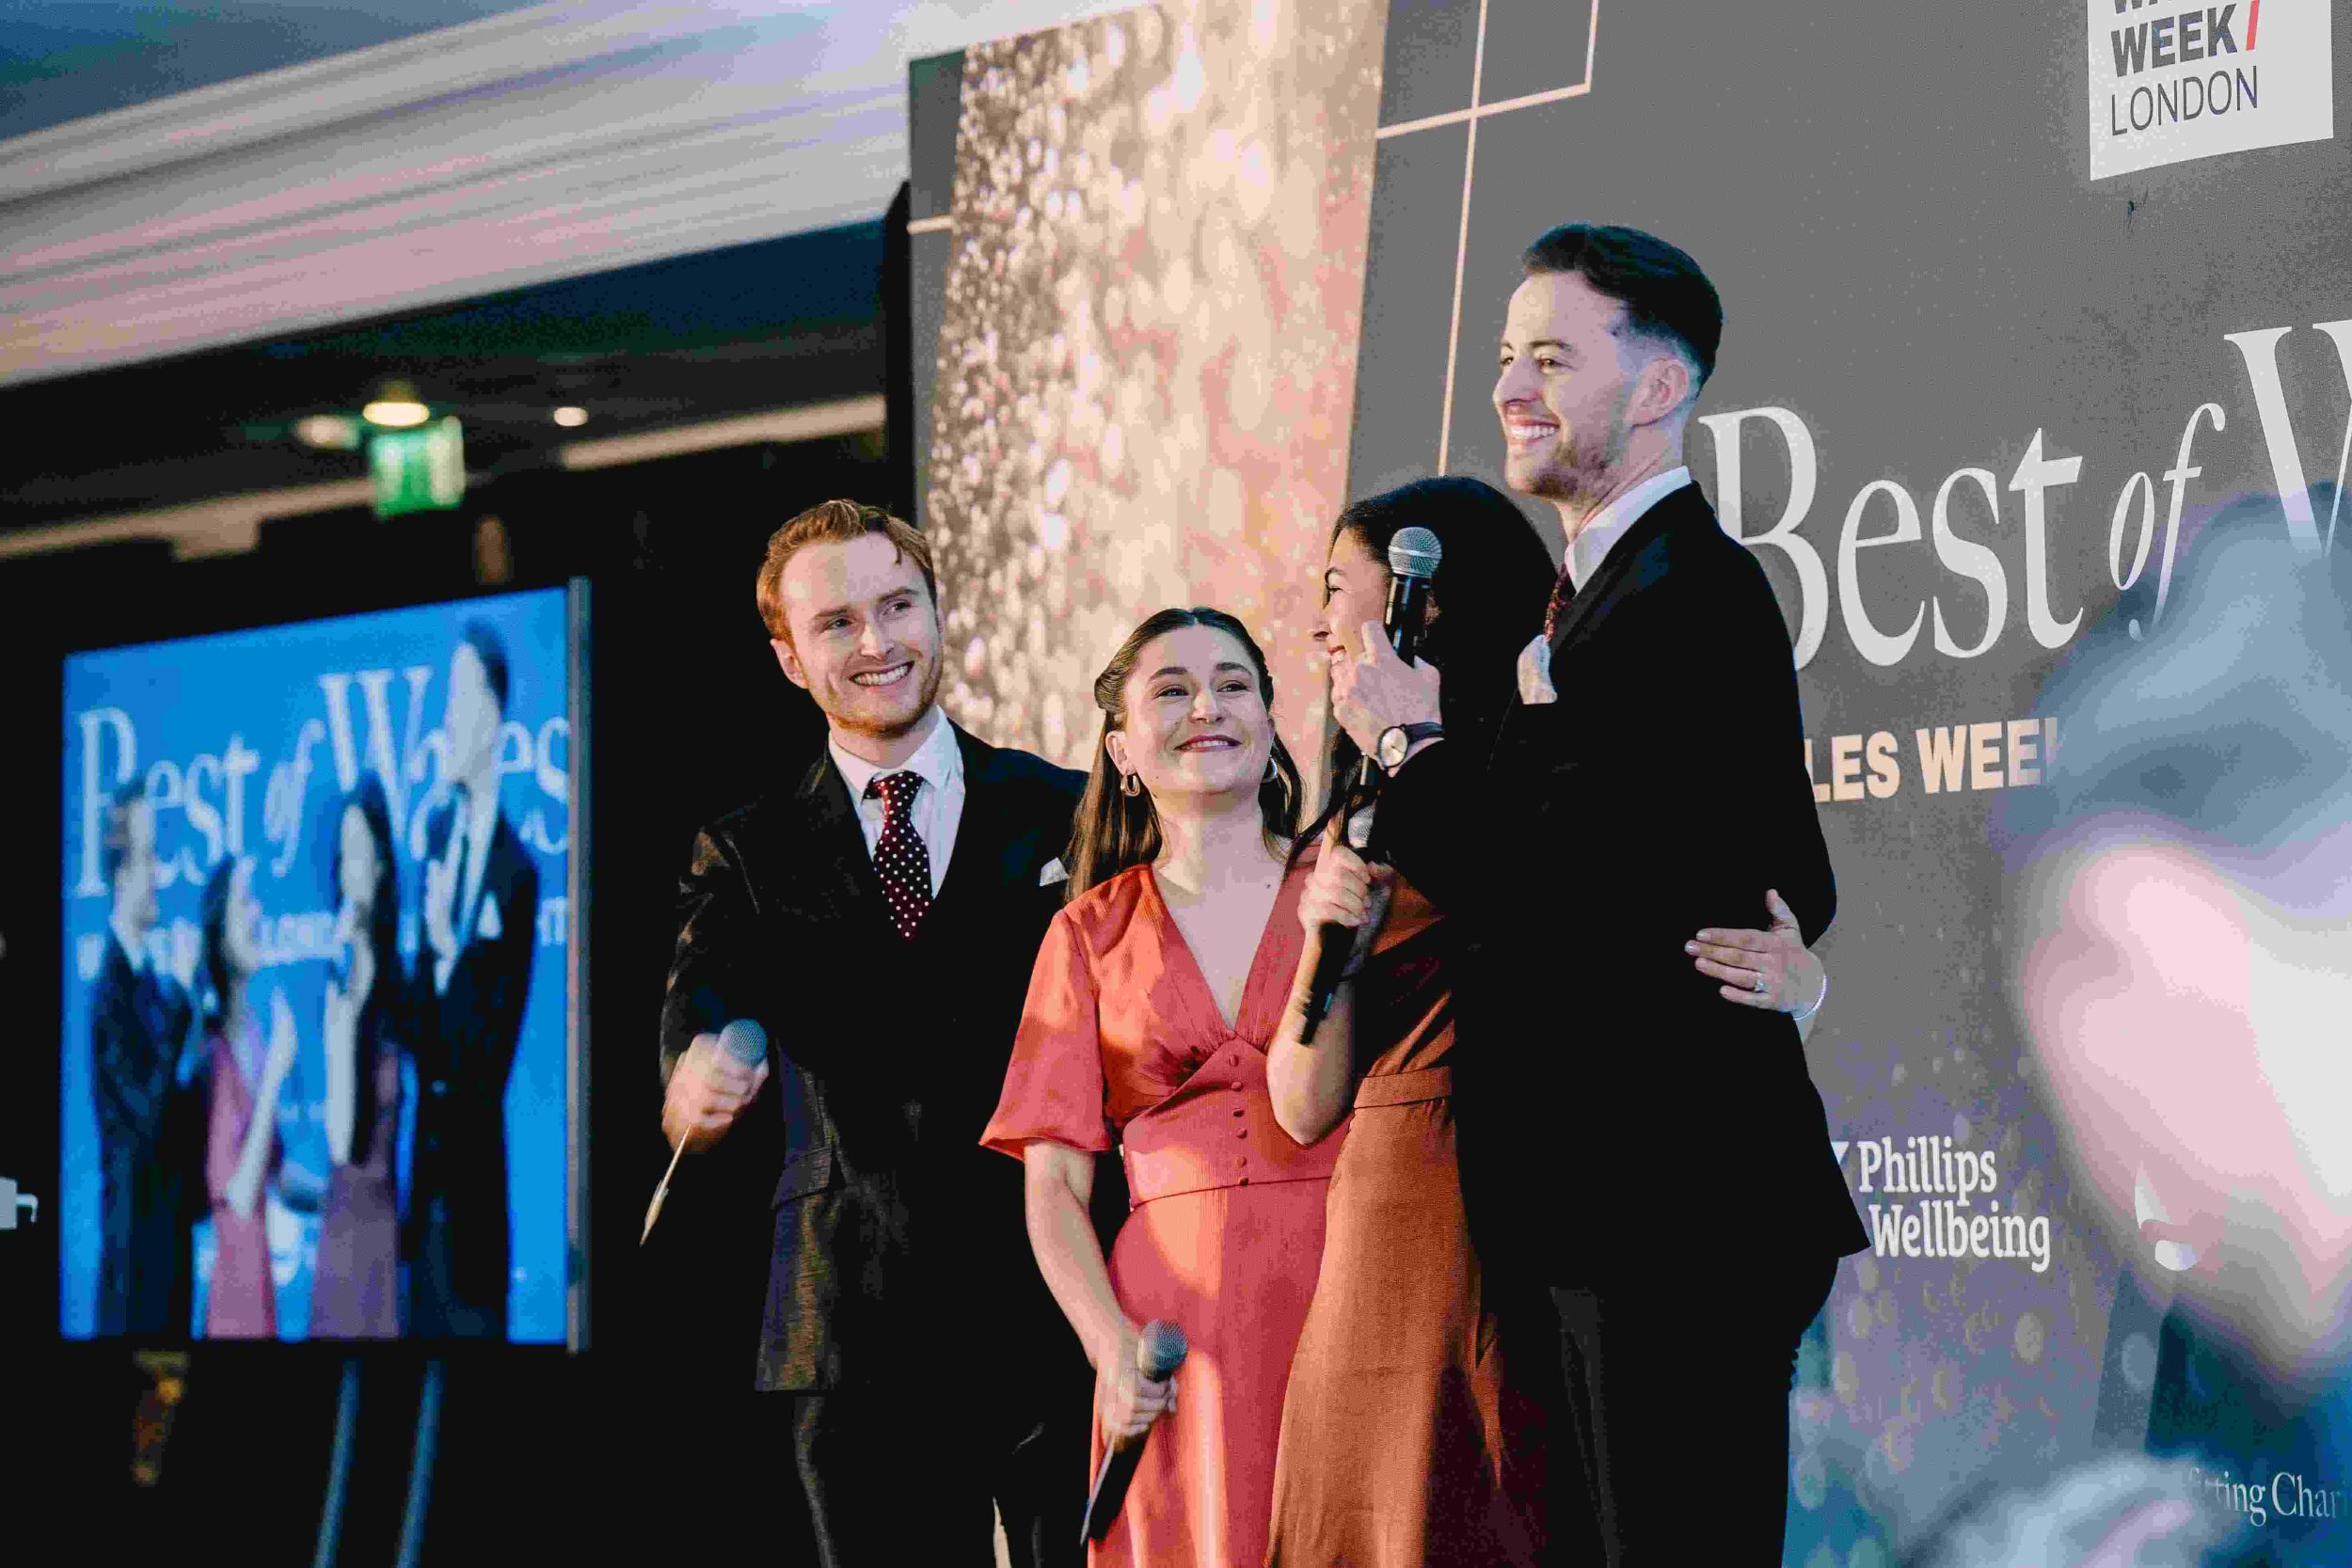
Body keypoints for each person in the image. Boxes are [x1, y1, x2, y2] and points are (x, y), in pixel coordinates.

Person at [1334, 224, 1867, 1563]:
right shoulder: (1599, 599)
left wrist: (1405, 741)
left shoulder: (1683, 592)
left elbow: (1551, 880)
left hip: (1666, 1204)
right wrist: (1788, 944)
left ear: (1659, 385)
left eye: (1552, 358)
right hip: (1611, 1200)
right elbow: (1783, 865)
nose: (1511, 388)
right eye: (1506, 356)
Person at [1264, 478, 1837, 1566]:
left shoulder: (1534, 756)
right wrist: (1322, 939)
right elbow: (1298, 1101)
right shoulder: (1361, 805)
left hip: (1554, 1199)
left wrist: (1801, 986)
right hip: (1391, 1221)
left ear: (1425, 602)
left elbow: (1631, 909)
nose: (1321, 622)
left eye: (1340, 587)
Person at [660, 499, 1092, 1568]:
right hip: (849, 1316)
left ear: (939, 613)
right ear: (788, 658)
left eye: (898, 605)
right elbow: (701, 1001)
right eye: (837, 622)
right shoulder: (748, 848)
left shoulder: (1067, 811)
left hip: (1054, 1300)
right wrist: (694, 1072)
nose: (876, 642)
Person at [980, 606, 1333, 1568]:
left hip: (1352, 1290)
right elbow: (1054, 1188)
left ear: (1268, 722)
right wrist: (1109, 1343)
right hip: (1175, 1334)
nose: (1206, 707)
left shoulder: (1350, 887)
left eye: (1232, 684)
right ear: (1120, 749)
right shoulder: (1085, 932)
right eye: (1171, 690)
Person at [407, 622, 537, 1339]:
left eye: (459, 699)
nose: (446, 722)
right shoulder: (432, 843)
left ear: (491, 713)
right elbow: (414, 1028)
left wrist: (445, 951)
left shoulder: (517, 874)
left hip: (474, 1198)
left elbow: (488, 1059)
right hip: (420, 1191)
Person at [90, 780, 199, 1337]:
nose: (160, 873)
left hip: (169, 1263)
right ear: (121, 873)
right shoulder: (109, 995)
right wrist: (180, 1000)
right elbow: (147, 1119)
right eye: (150, 857)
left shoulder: (151, 986)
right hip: (134, 1279)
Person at [310, 778, 405, 1338]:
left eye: (361, 851)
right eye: (343, 854)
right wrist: (344, 1014)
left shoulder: (399, 980)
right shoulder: (337, 984)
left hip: (389, 1225)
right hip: (346, 1222)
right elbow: (341, 1137)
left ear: (382, 866)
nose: (351, 869)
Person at [197, 855, 298, 1339]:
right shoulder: (212, 1051)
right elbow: (238, 1192)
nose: (257, 912)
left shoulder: (254, 1037)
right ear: (220, 932)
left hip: (261, 1284)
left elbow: (276, 1175)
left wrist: (345, 1192)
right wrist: (276, 1074)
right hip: (233, 1296)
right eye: (244, 902)